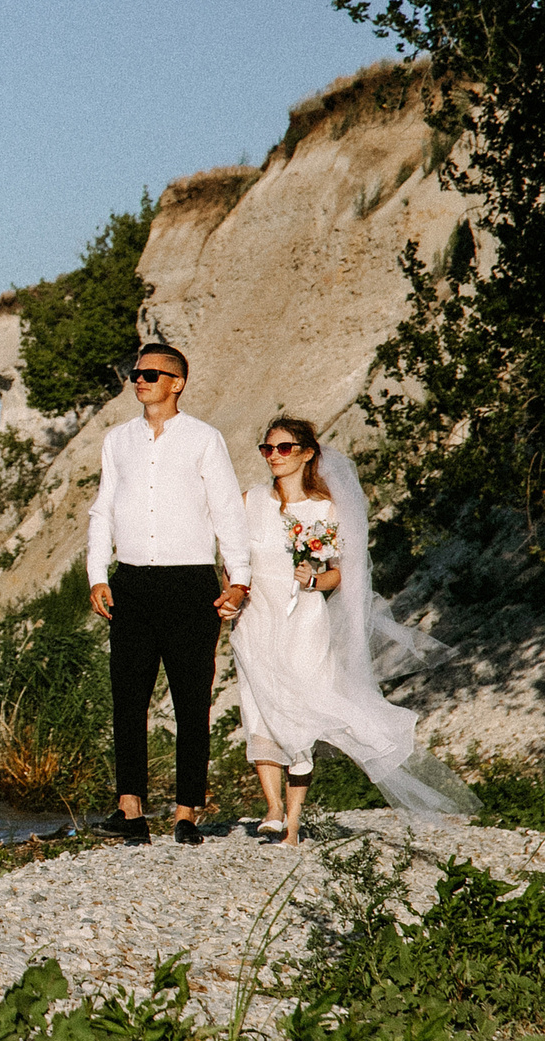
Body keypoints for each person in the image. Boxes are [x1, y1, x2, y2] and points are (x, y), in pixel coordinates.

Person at [215, 417, 477, 836]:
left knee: (301, 707)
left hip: (303, 620)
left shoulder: (326, 509)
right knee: (258, 704)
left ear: (306, 453)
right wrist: (231, 592)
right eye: (267, 449)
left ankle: (293, 823)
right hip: (255, 617)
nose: (274, 456)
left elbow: (342, 572)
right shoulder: (249, 501)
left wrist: (314, 581)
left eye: (284, 448)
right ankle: (273, 808)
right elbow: (232, 560)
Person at [86, 341, 250, 845]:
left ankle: (186, 812)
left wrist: (239, 578)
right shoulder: (117, 440)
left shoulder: (204, 439)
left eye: (152, 374)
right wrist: (97, 574)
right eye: (136, 373)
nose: (140, 380)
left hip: (190, 584)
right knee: (128, 698)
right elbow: (103, 509)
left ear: (176, 383)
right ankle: (130, 809)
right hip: (131, 582)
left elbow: (227, 510)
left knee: (191, 700)